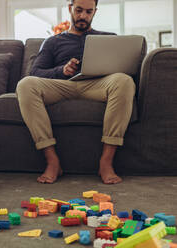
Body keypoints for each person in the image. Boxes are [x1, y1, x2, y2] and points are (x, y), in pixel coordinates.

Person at [16, 0, 135, 184]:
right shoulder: (53, 41)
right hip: (63, 86)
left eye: (88, 12)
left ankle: (106, 162)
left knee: (124, 81)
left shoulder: (109, 38)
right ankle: (52, 160)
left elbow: (123, 69)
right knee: (25, 85)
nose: (83, 16)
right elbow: (35, 72)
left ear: (95, 12)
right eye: (79, 10)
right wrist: (61, 70)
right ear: (70, 8)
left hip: (97, 85)